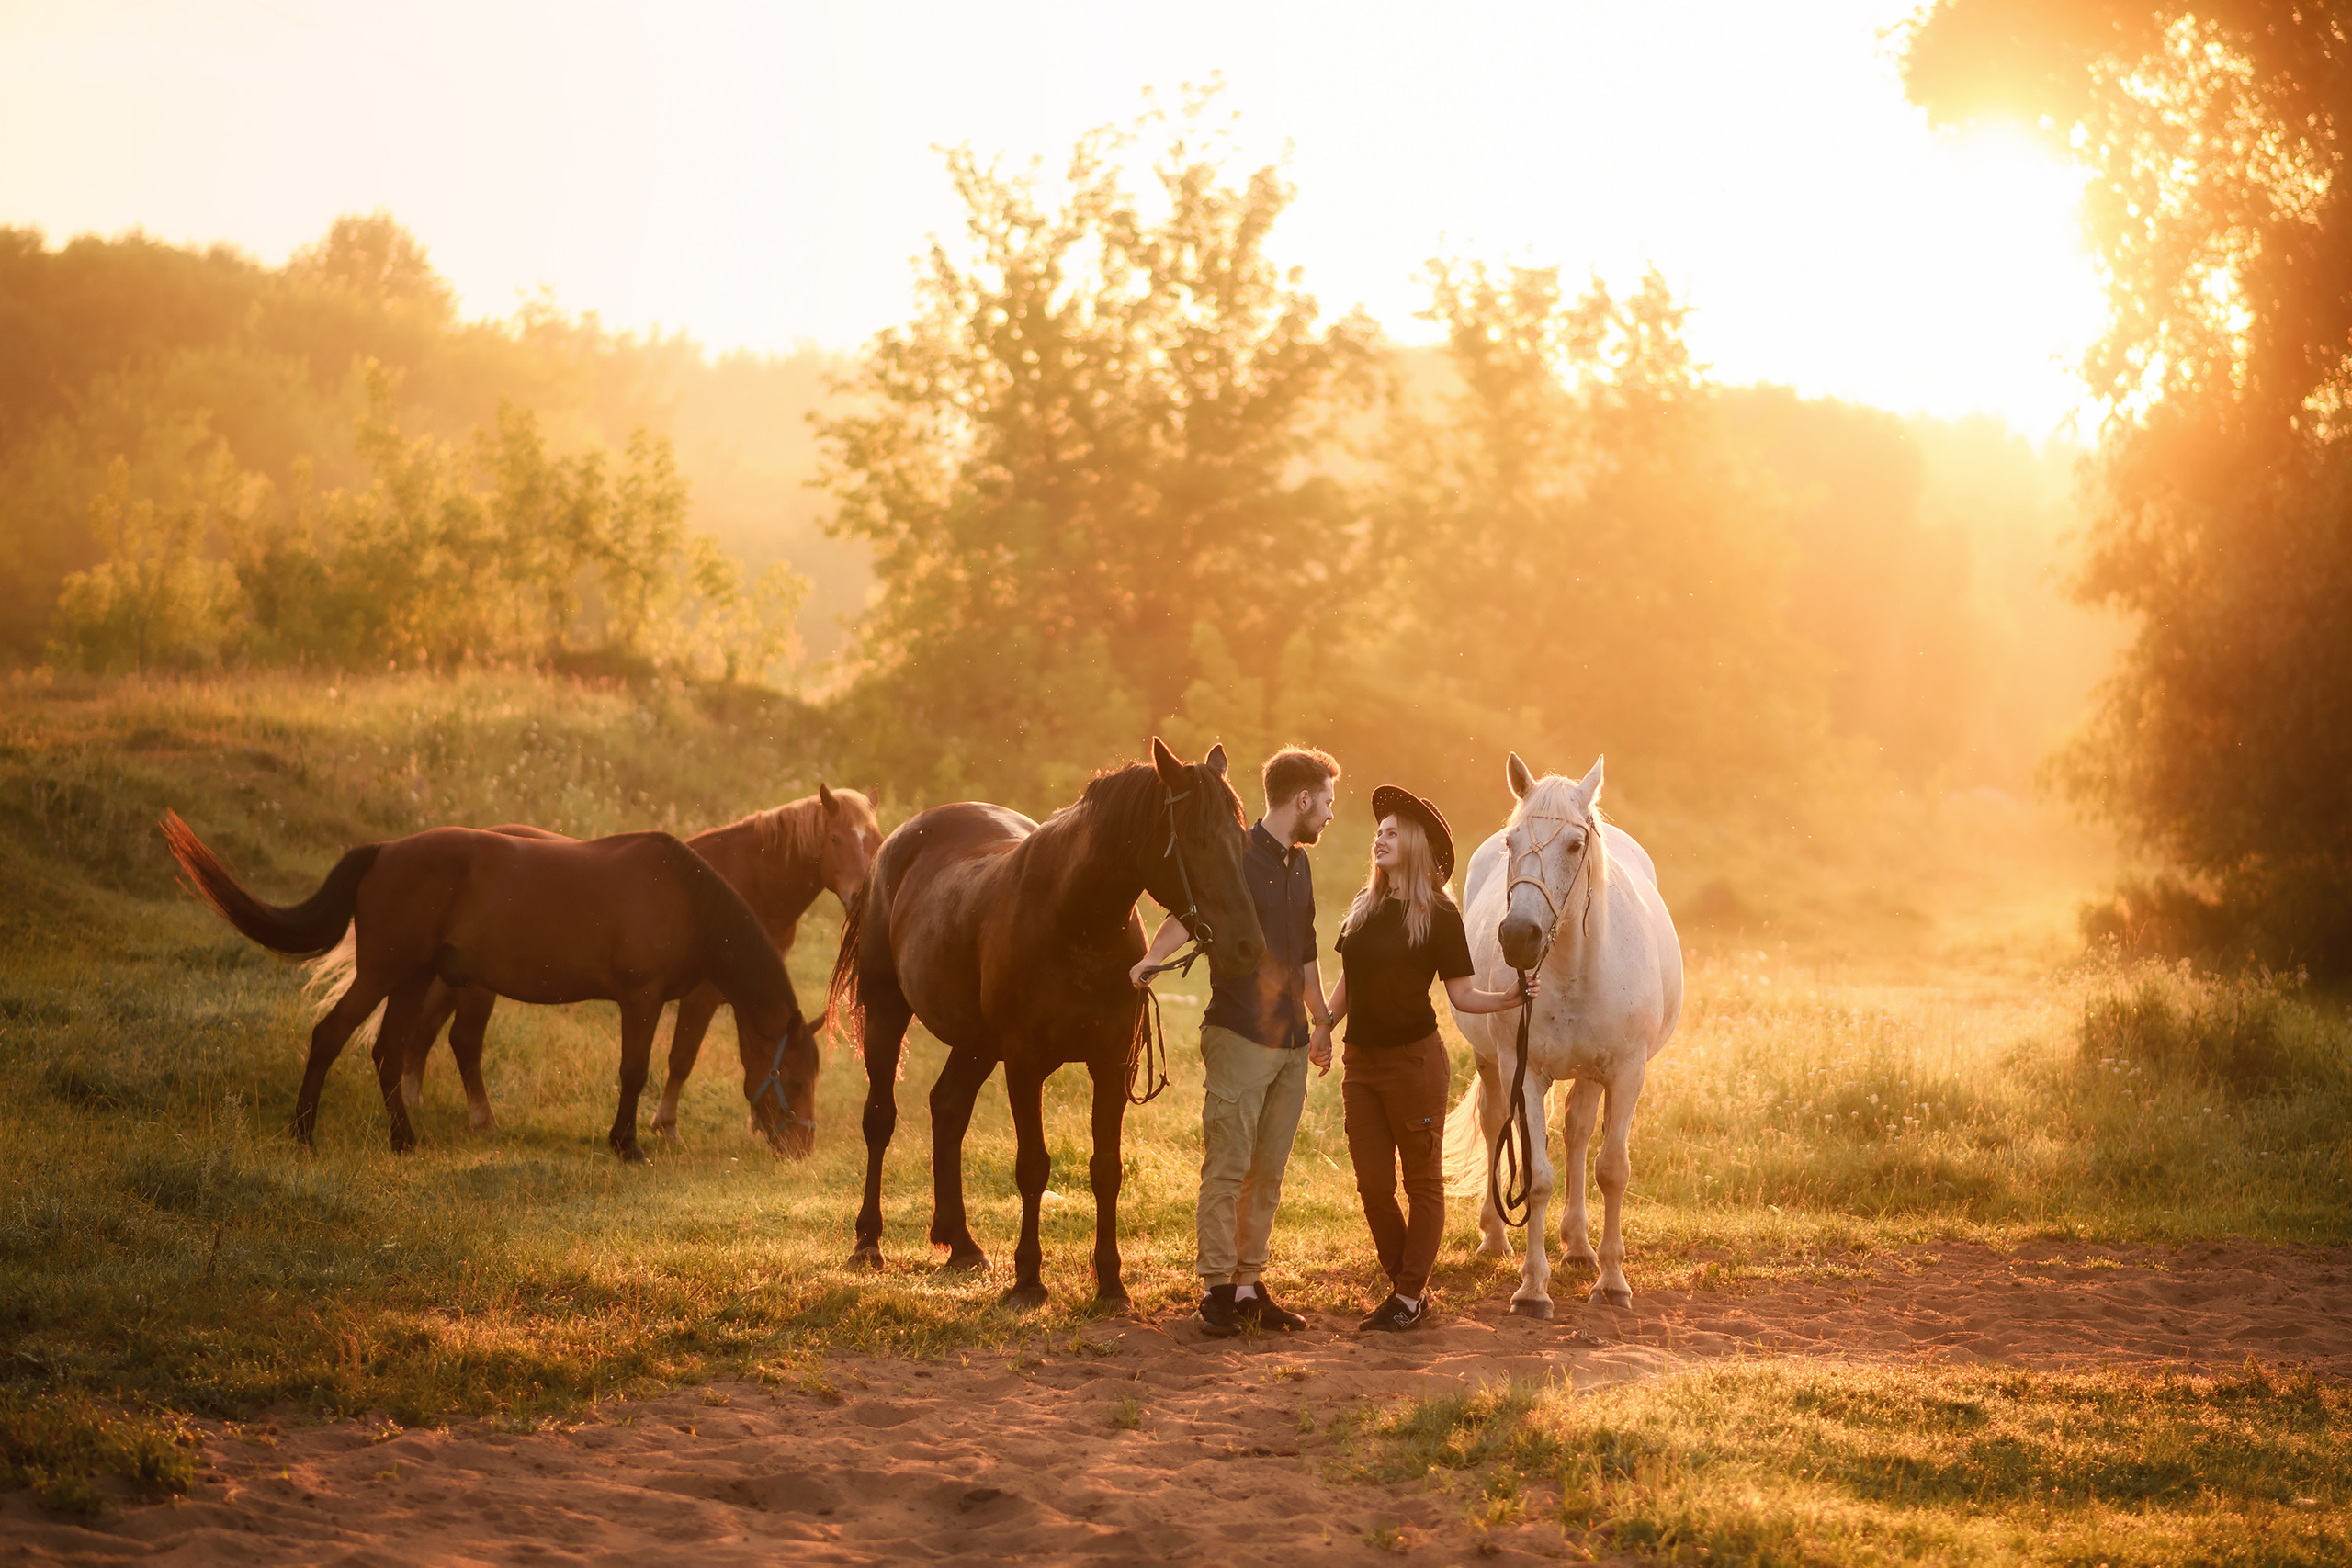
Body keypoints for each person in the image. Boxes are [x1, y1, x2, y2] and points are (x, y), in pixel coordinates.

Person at [1133, 745, 1340, 1337]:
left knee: (1267, 1173)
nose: (1329, 814)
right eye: (1325, 802)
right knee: (1227, 1166)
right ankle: (1217, 1289)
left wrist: (1321, 1021)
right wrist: (1150, 958)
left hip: (1291, 1044)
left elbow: (1305, 952)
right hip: (1239, 1034)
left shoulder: (1300, 865)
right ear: (1301, 799)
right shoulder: (1236, 854)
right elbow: (1185, 913)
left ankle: (1250, 1286)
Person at [1317, 786, 1535, 1332]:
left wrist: (1507, 998)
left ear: (1414, 843)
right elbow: (1346, 986)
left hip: (1415, 1064)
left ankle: (1408, 1295)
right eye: (1379, 832)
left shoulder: (1439, 915)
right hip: (1360, 1066)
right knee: (1371, 1183)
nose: (1380, 839)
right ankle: (1404, 1287)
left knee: (1421, 1183)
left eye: (1392, 832)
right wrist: (1320, 1027)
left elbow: (1461, 995)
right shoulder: (1363, 910)